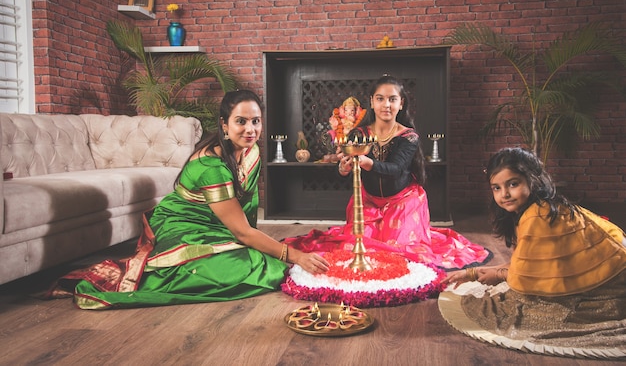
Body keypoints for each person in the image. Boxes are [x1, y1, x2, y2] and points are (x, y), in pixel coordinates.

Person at [49, 90, 329, 309]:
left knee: (264, 259)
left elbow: (246, 213)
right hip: (181, 227)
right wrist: (292, 255)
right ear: (224, 124)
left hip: (220, 226)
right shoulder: (211, 166)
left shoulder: (252, 152)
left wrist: (254, 241)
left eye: (255, 121)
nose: (250, 129)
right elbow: (243, 230)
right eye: (240, 121)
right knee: (253, 267)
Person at [285, 75, 491, 270]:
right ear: (372, 102)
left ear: (401, 103)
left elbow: (395, 169)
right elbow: (344, 168)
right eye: (380, 99)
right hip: (368, 201)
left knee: (398, 251)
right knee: (355, 247)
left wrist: (366, 163)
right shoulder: (359, 134)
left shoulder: (408, 137)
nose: (386, 105)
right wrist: (344, 167)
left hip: (403, 201)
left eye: (392, 99)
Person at [443, 147, 626, 348]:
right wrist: (473, 273)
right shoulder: (530, 209)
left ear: (533, 180)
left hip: (615, 276)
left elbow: (522, 278)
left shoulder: (539, 214)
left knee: (533, 310)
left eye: (513, 184)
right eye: (496, 188)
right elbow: (522, 264)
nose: (505, 194)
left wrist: (491, 274)